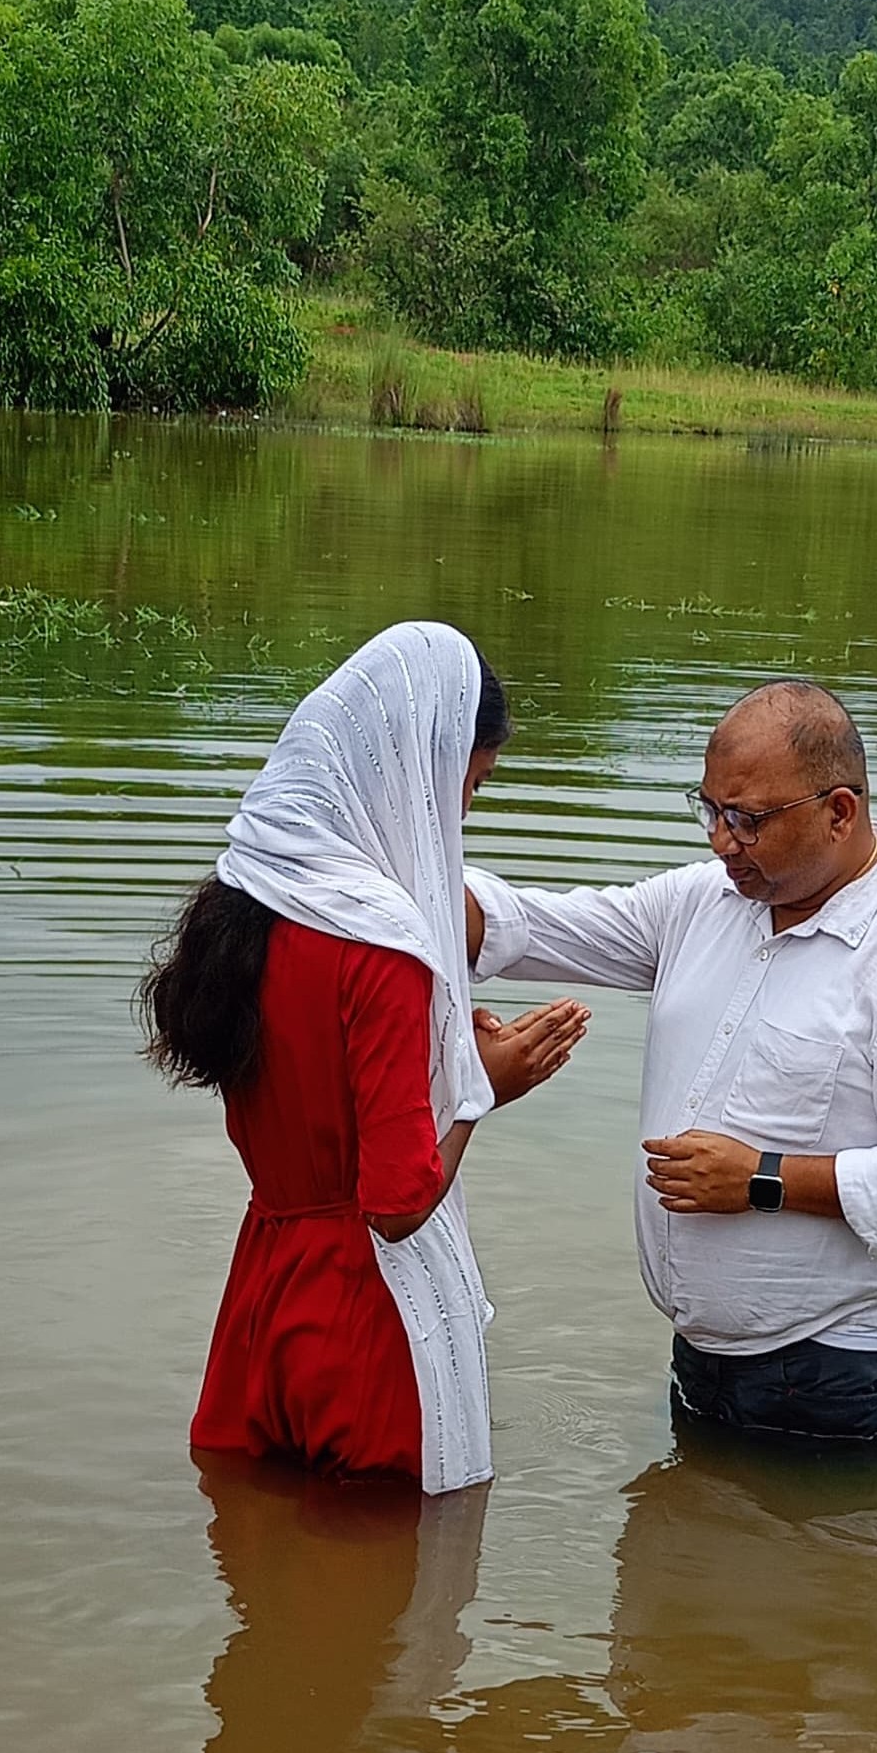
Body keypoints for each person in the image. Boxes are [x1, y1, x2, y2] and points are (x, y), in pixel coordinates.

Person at [467, 677, 877, 1446]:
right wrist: (378, 890)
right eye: (711, 810)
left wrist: (763, 1178)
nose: (722, 840)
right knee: (692, 1551)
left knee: (826, 1560)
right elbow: (531, 926)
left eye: (749, 819)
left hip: (843, 1370)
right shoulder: (707, 901)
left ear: (839, 812)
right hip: (706, 1354)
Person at [142, 621, 589, 1493]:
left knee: (267, 1601)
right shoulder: (381, 945)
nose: (459, 812)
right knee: (395, 1606)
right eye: (469, 783)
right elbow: (394, 1203)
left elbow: (310, 1089)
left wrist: (439, 1051)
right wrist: (476, 1092)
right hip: (365, 1325)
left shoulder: (249, 901)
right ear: (415, 765)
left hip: (262, 1299)